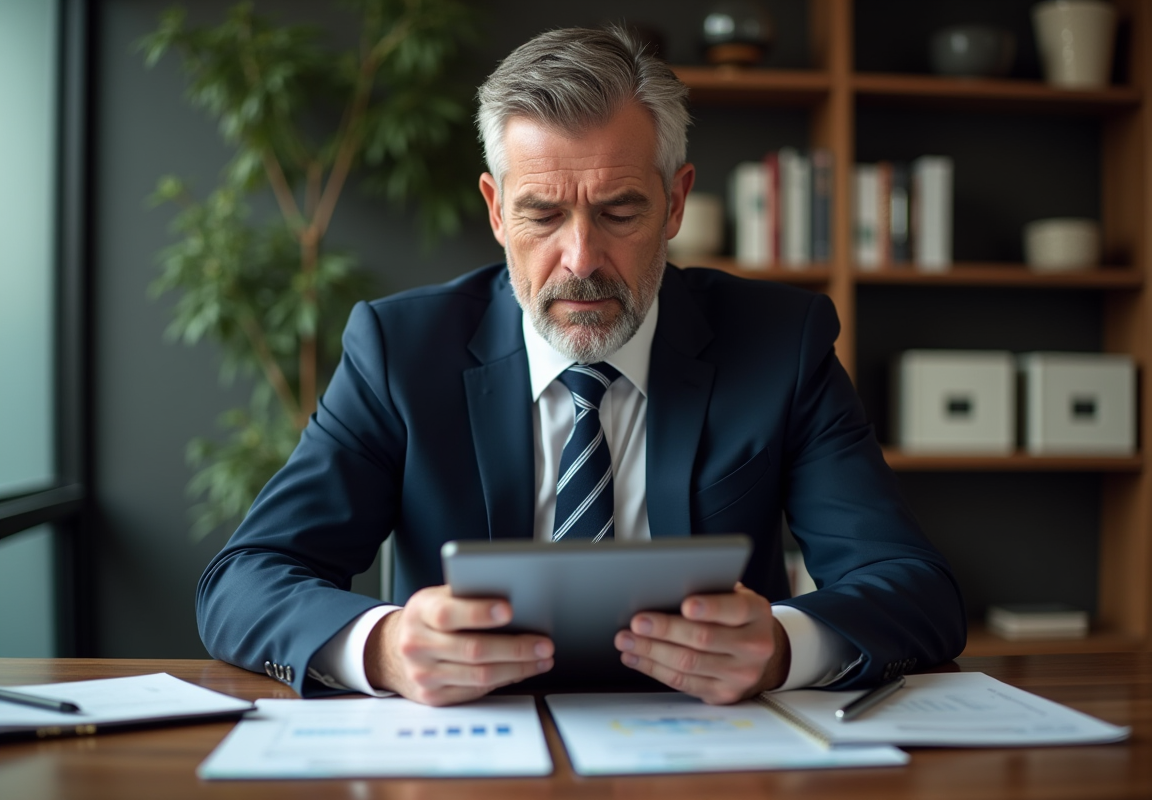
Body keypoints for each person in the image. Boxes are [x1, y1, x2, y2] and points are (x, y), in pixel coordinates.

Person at [197, 26, 966, 707]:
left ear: (675, 203)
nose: (581, 260)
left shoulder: (780, 344)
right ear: (496, 210)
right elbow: (246, 579)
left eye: (619, 212)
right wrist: (383, 649)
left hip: (718, 754)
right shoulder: (399, 352)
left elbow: (914, 588)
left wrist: (785, 648)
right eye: (542, 214)